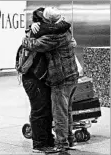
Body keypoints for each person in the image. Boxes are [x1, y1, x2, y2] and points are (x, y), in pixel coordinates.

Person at [21, 6, 79, 152]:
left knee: (60, 114)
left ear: (48, 21)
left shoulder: (53, 37)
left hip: (60, 80)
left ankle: (62, 145)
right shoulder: (66, 29)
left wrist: (26, 36)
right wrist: (33, 26)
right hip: (72, 77)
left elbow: (33, 44)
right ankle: (70, 140)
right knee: (67, 111)